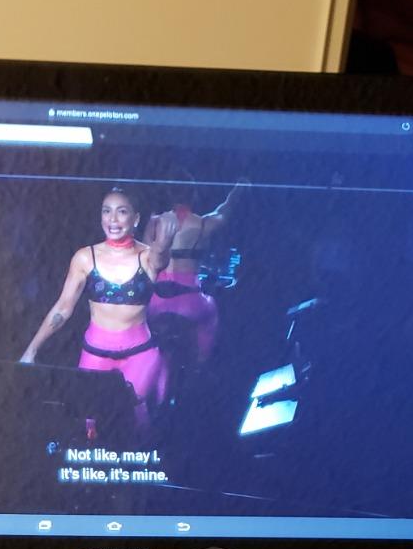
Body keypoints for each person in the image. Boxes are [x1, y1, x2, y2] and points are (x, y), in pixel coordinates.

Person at [19, 186, 175, 427]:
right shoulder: (85, 258)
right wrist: (31, 350)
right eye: (106, 211)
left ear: (135, 219)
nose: (113, 219)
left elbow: (160, 257)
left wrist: (164, 241)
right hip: (95, 354)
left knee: (134, 415)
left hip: (140, 354)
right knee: (89, 420)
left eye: (121, 211)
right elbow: (62, 309)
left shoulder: (146, 257)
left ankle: (140, 450)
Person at [147, 177, 247, 365]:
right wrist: (239, 189)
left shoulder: (155, 222)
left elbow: (145, 257)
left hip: (157, 301)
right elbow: (224, 210)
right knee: (210, 316)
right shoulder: (202, 224)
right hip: (190, 303)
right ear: (193, 195)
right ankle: (200, 365)